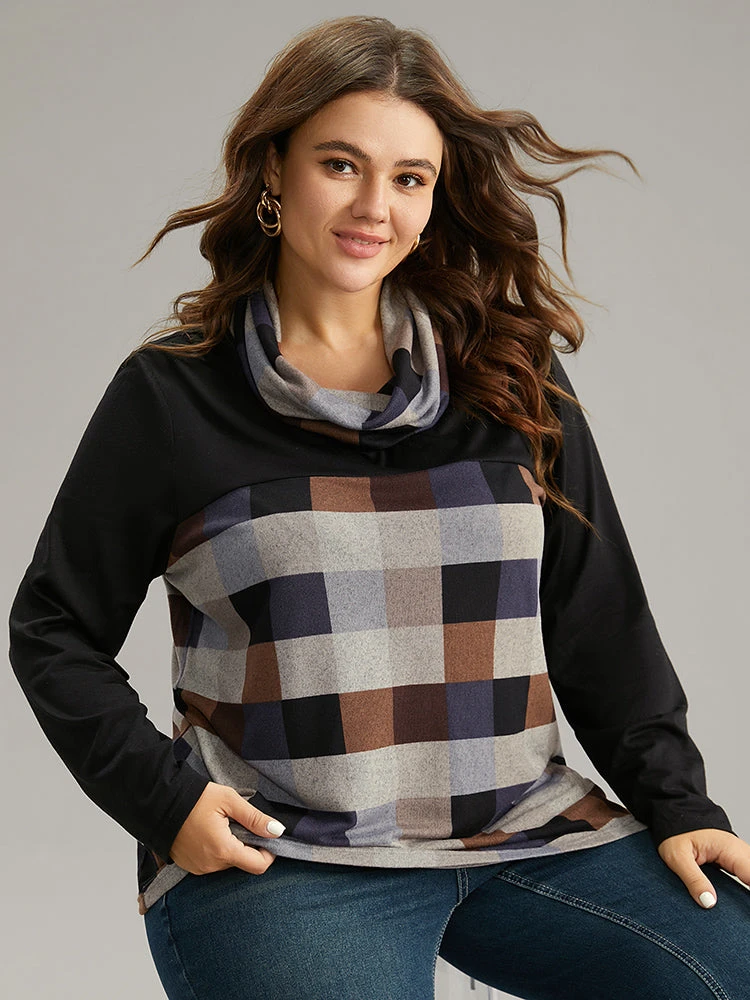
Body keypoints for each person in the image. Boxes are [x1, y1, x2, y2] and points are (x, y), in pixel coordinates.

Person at [8, 14, 750, 1000]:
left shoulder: (510, 375)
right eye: (340, 165)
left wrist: (680, 802)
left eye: (409, 178)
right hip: (289, 857)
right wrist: (165, 801)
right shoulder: (173, 394)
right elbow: (53, 626)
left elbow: (598, 617)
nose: (373, 206)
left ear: (435, 199)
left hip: (526, 832)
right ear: (274, 170)